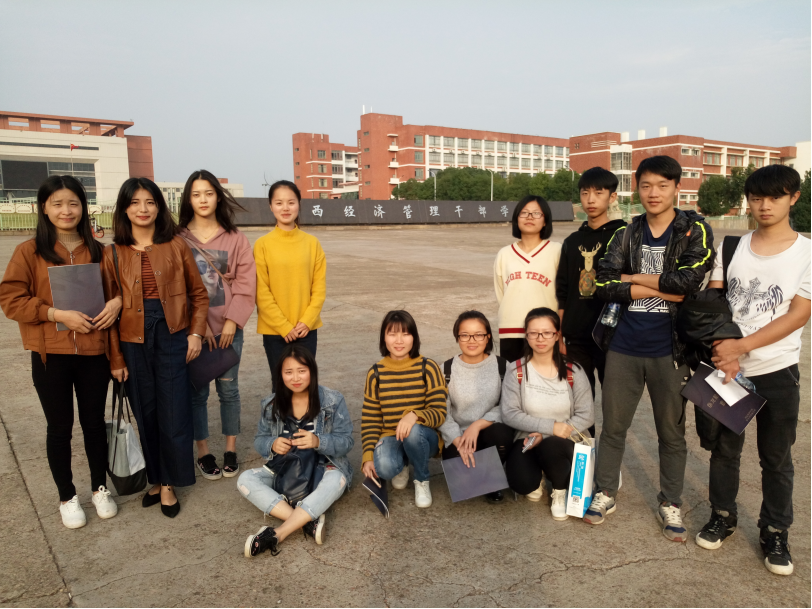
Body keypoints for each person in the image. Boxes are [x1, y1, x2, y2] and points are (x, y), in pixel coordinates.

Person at [586, 155, 715, 542]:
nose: (653, 193)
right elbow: (603, 283)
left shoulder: (693, 230)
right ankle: (605, 492)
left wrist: (634, 278)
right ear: (637, 188)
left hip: (670, 350)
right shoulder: (626, 233)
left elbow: (688, 283)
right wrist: (659, 287)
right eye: (646, 185)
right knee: (614, 428)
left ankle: (670, 501)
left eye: (662, 185)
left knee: (671, 434)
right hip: (623, 347)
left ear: (677, 188)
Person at [696, 165, 810, 576]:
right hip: (728, 369)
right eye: (756, 198)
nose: (764, 205)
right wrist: (723, 351)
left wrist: (741, 347)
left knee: (776, 457)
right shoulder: (732, 246)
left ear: (793, 198)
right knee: (724, 450)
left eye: (775, 197)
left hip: (778, 370)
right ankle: (722, 515)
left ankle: (775, 531)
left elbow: (799, 314)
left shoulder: (806, 253)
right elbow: (713, 303)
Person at [0, 176, 121, 529]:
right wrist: (55, 314)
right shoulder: (29, 252)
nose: (66, 210)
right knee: (59, 428)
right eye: (57, 204)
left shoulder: (101, 251)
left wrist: (117, 301)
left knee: (94, 424)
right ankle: (67, 496)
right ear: (44, 208)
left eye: (73, 203)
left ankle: (99, 488)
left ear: (83, 207)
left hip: (93, 352)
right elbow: (10, 300)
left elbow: (120, 290)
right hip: (50, 355)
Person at [102, 177, 209, 518]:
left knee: (174, 410)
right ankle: (156, 476)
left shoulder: (176, 245)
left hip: (172, 335)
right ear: (124, 209)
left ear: (159, 207)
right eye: (135, 202)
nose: (143, 209)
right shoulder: (112, 253)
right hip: (132, 339)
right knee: (144, 411)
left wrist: (195, 334)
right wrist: (116, 357)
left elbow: (198, 294)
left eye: (150, 202)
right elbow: (108, 310)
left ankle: (169, 483)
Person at [178, 170, 257, 481]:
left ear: (218, 197)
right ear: (188, 199)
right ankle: (203, 452)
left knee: (229, 390)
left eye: (209, 193)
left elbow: (246, 284)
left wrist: (232, 322)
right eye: (196, 194)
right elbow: (177, 287)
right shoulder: (178, 238)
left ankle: (230, 449)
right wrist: (197, 329)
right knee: (197, 393)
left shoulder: (235, 238)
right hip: (194, 332)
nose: (203, 200)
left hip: (228, 331)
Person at [241, 345, 353, 556]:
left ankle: (278, 533)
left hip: (324, 468)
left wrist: (318, 441)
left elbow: (346, 441)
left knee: (337, 479)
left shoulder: (332, 401)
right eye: (288, 372)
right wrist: (272, 444)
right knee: (245, 480)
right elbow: (259, 440)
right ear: (280, 374)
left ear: (312, 371)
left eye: (302, 371)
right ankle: (306, 521)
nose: (295, 378)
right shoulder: (270, 404)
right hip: (284, 469)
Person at [500, 308, 594, 521]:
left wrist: (551, 433)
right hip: (529, 438)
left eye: (547, 333)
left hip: (566, 440)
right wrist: (549, 427)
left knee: (552, 446)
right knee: (522, 483)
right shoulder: (516, 370)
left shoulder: (573, 370)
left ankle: (559, 490)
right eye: (534, 333)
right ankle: (540, 473)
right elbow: (509, 413)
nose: (540, 338)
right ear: (526, 336)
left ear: (557, 335)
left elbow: (586, 415)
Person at [361, 310, 447, 509]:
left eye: (405, 334)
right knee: (384, 467)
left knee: (413, 432)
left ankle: (422, 479)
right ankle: (403, 463)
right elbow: (371, 418)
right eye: (392, 334)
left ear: (414, 337)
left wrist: (413, 416)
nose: (399, 340)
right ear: (384, 337)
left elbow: (439, 412)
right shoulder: (376, 373)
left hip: (424, 436)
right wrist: (367, 456)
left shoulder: (428, 367)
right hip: (392, 435)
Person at [556, 167, 627, 400]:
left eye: (598, 193)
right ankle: (584, 429)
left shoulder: (624, 236)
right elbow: (563, 290)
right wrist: (560, 333)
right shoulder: (572, 241)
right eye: (585, 193)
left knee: (614, 399)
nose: (591, 200)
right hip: (576, 336)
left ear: (612, 197)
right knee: (579, 399)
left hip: (613, 334)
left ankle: (611, 429)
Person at [254, 180, 326, 391]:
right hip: (275, 331)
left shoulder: (312, 243)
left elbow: (319, 289)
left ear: (299, 204)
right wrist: (284, 327)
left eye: (291, 202)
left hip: (306, 330)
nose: (285, 208)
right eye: (279, 203)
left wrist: (307, 321)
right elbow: (261, 291)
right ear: (271, 206)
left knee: (305, 386)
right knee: (281, 387)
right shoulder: (262, 245)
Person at [439, 310, 514, 503]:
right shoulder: (445, 370)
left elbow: (508, 405)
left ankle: (491, 480)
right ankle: (485, 474)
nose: (471, 340)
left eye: (478, 335)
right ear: (457, 337)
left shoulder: (503, 366)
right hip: (459, 436)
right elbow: (442, 412)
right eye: (465, 335)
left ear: (487, 336)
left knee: (502, 434)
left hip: (490, 431)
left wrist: (478, 424)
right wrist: (457, 440)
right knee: (464, 486)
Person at [494, 195, 561, 363]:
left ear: (545, 221)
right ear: (516, 219)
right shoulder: (504, 254)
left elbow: (563, 293)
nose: (529, 217)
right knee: (513, 376)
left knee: (546, 375)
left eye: (536, 213)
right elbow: (501, 292)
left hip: (545, 331)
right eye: (524, 213)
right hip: (511, 328)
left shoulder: (557, 250)